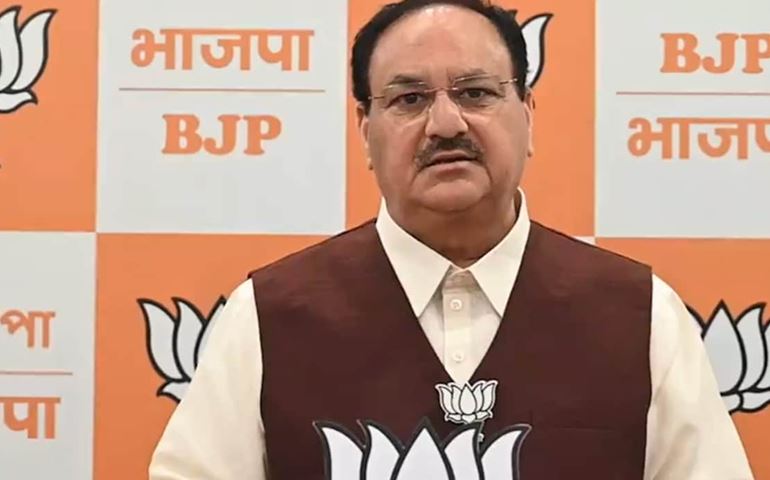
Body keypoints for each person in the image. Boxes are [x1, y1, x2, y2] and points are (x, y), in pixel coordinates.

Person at [148, 0, 754, 478]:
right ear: (365, 131)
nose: (445, 123)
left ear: (528, 114)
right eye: (409, 99)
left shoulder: (640, 313)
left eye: (476, 93)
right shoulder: (269, 316)